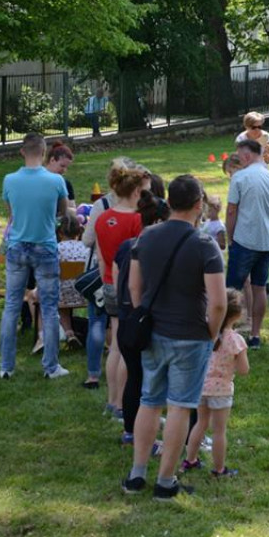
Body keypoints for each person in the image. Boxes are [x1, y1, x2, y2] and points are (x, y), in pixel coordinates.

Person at [121, 175, 227, 500]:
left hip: (153, 332)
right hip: (191, 335)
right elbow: (220, 302)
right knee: (180, 406)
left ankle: (137, 474)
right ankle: (166, 481)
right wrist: (211, 334)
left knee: (149, 401)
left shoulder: (147, 237)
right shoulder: (204, 243)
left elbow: (134, 288)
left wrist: (145, 316)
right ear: (199, 204)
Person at [0, 133, 69, 380]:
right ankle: (51, 366)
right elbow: (63, 212)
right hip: (45, 247)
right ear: (44, 151)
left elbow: (12, 214)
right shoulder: (55, 181)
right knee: (49, 309)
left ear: (22, 151)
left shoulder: (9, 180)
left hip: (17, 248)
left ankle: (6, 366)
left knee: (11, 306)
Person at [114, 189, 170, 448]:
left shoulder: (127, 246)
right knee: (148, 381)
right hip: (142, 320)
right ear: (159, 221)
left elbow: (118, 281)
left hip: (125, 319)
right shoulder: (154, 248)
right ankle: (142, 432)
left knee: (134, 376)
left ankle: (130, 429)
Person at [180, 288, 250, 479]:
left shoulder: (204, 334)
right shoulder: (236, 340)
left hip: (201, 387)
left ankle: (190, 460)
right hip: (222, 392)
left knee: (200, 424)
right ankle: (219, 469)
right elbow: (244, 370)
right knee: (219, 431)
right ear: (237, 314)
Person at [93, 166, 147, 396]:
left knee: (115, 345)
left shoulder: (103, 217)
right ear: (135, 191)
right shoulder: (137, 220)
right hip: (128, 287)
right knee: (129, 349)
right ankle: (123, 400)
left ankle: (112, 399)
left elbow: (102, 259)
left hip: (108, 284)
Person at [226, 137, 269, 350]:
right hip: (266, 242)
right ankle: (255, 334)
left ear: (248, 155)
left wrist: (230, 237)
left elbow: (232, 211)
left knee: (232, 288)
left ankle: (225, 331)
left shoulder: (239, 178)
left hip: (244, 240)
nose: (240, 161)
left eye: (241, 156)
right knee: (260, 288)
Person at [54, 211, 88, 347]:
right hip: (84, 293)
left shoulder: (56, 249)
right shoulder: (86, 248)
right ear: (79, 232)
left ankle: (69, 332)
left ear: (59, 233)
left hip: (62, 294)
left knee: (61, 292)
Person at [45, 141, 76, 209]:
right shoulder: (37, 181)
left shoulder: (66, 184)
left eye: (66, 167)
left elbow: (72, 208)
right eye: (62, 166)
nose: (64, 170)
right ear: (52, 160)